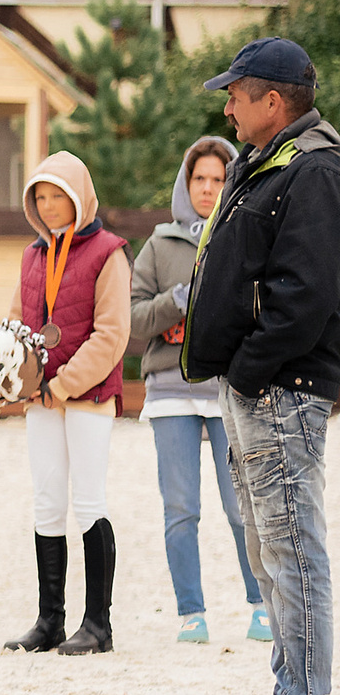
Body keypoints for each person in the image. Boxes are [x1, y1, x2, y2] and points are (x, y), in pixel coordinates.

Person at [183, 37, 340, 695]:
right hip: (263, 383)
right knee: (269, 544)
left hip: (283, 384)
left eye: (236, 93)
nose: (227, 105)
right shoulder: (271, 162)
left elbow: (304, 294)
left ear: (272, 100)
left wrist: (247, 368)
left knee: (292, 546)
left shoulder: (312, 170)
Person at [126, 135, 267, 646]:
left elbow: (264, 308)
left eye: (217, 178)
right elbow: (133, 317)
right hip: (168, 390)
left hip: (229, 389)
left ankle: (262, 607)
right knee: (181, 508)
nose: (208, 188)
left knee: (241, 505)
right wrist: (177, 302)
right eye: (199, 179)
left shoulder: (245, 233)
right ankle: (192, 614)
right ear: (186, 185)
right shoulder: (159, 244)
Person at [1, 151, 131, 656]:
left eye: (59, 195)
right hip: (41, 400)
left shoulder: (108, 253)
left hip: (88, 398)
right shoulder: (32, 256)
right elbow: (16, 325)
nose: (49, 205)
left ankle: (98, 624)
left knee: (89, 502)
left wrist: (63, 385)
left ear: (79, 198)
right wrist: (14, 378)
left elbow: (111, 334)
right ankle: (49, 619)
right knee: (47, 501)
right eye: (41, 196)